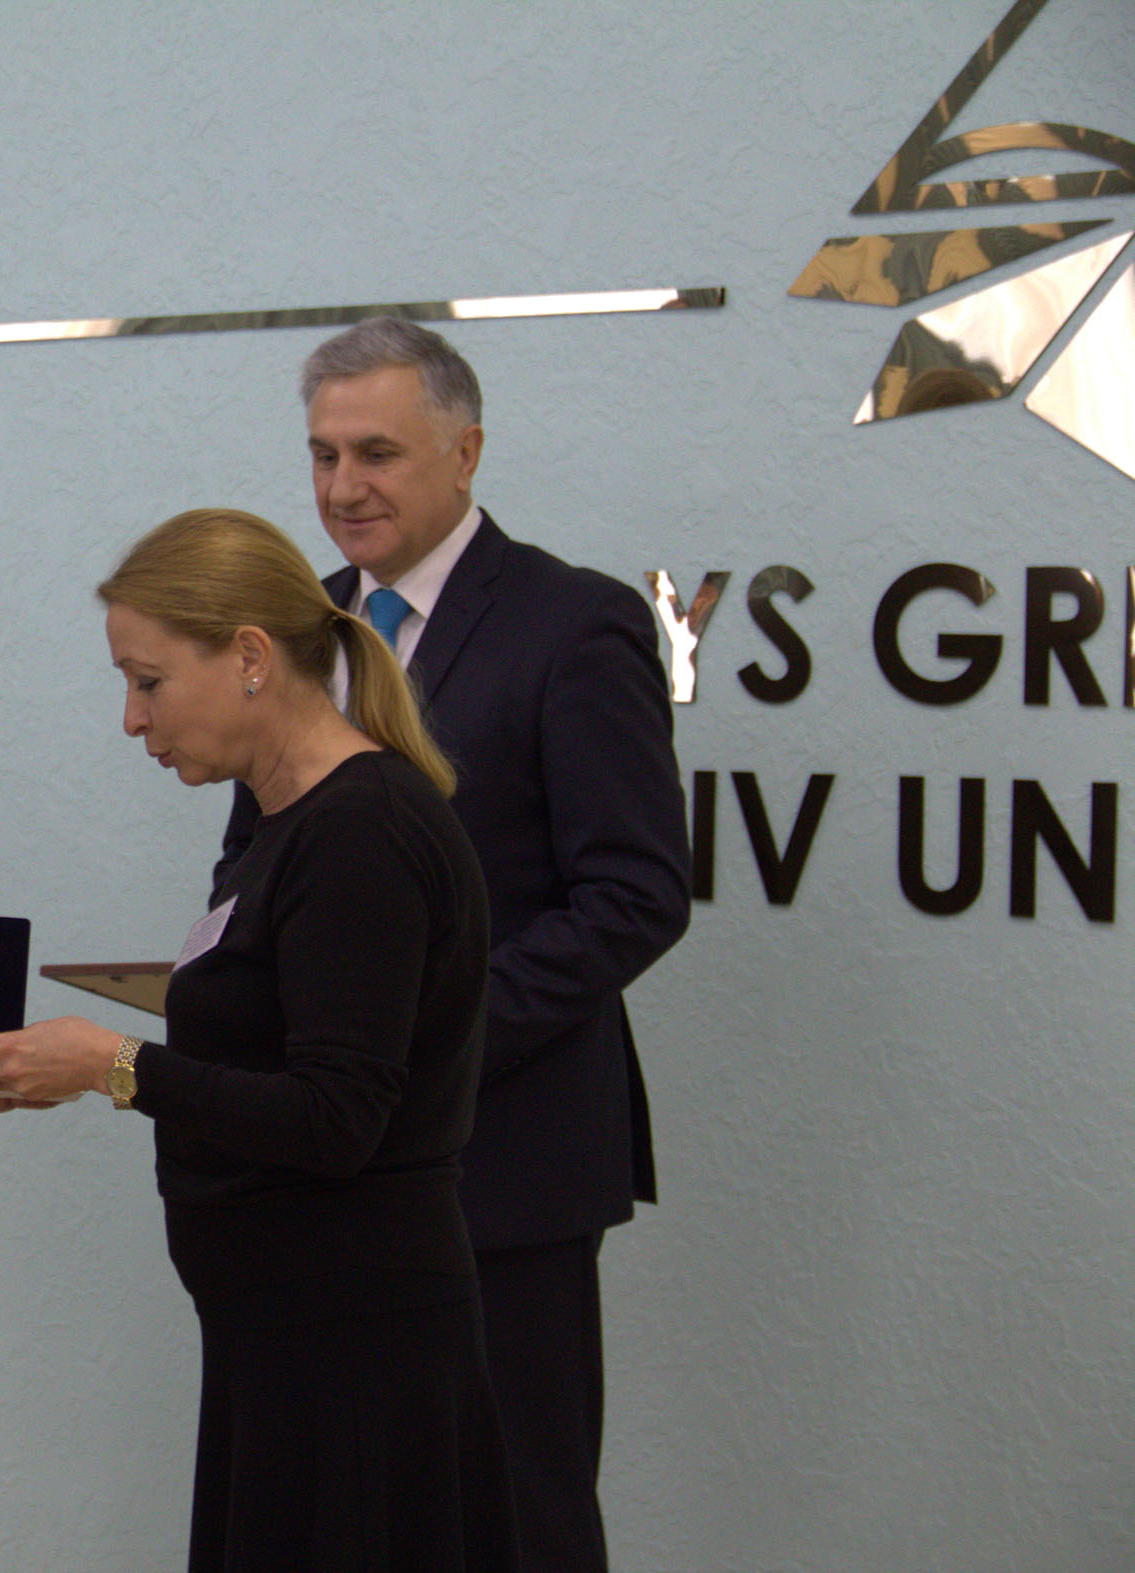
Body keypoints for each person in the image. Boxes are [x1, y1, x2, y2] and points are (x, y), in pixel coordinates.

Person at [0, 508, 518, 1573]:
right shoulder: (280, 821)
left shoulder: (361, 829)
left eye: (148, 681)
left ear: (250, 655)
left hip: (353, 1351)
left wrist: (110, 1064)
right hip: (285, 1337)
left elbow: (336, 1117)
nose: (131, 719)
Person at [217, 318, 692, 1572]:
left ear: (465, 451)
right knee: (350, 1516)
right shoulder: (300, 626)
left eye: (376, 453)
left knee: (513, 1515)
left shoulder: (573, 622)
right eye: (322, 454)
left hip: (504, 1162)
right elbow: (250, 859)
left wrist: (429, 1037)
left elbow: (635, 893)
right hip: (323, 1162)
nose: (342, 487)